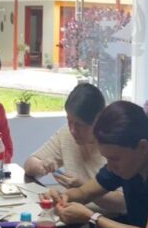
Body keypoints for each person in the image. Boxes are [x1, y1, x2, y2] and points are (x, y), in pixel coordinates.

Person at [23, 82, 124, 216]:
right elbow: (30, 164)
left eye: (79, 125)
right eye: (69, 121)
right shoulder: (67, 135)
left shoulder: (114, 145)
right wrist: (42, 166)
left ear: (98, 120)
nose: (72, 130)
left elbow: (123, 203)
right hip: (75, 216)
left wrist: (83, 187)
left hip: (108, 221)